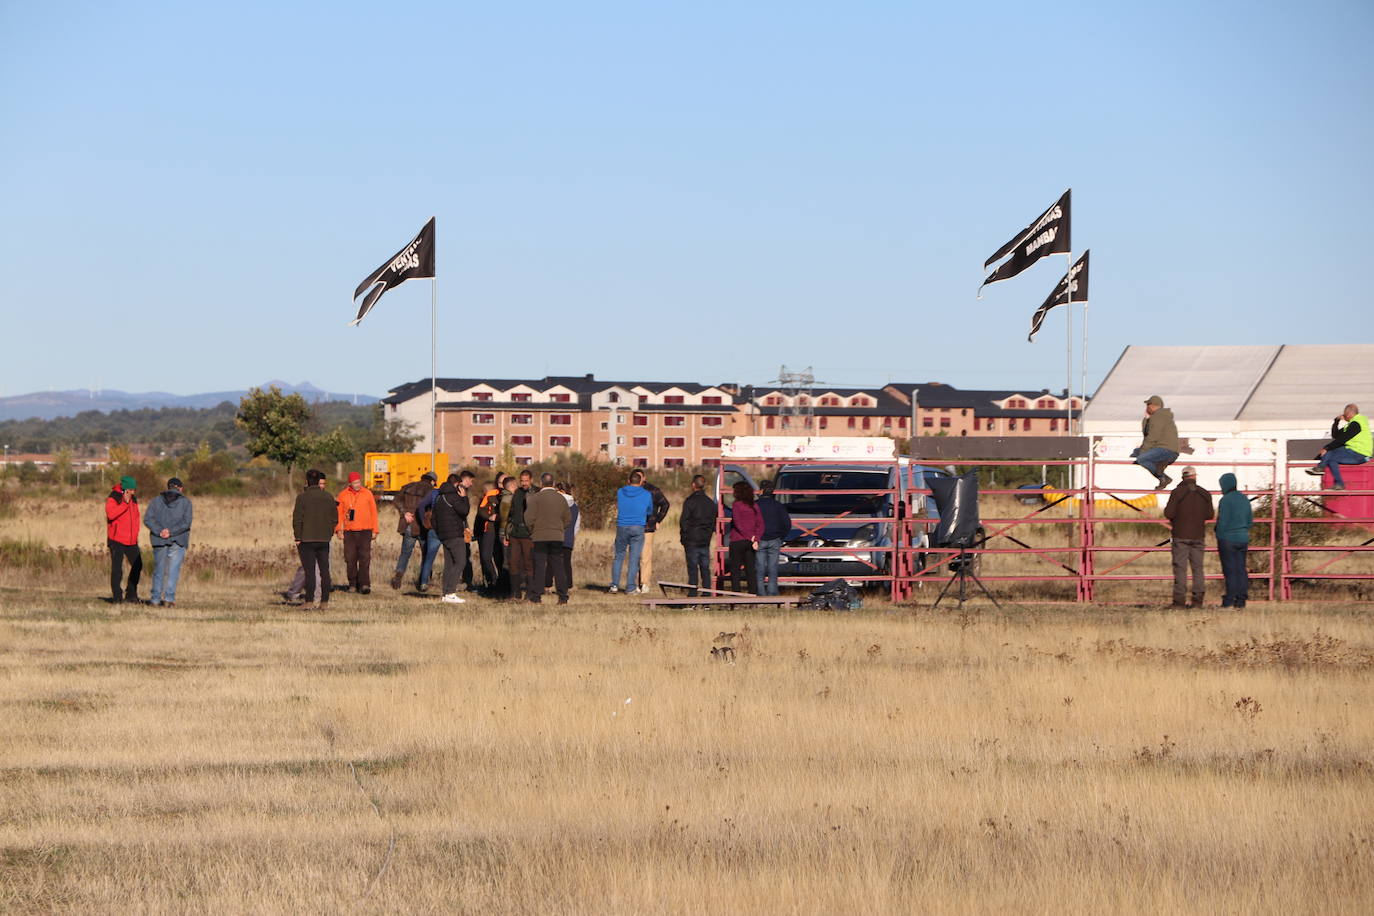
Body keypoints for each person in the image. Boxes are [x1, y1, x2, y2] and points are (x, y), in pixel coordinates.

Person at [1162, 466, 1213, 608]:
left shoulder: (1177, 493)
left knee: (1180, 569)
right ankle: (1198, 601)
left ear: (1182, 477)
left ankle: (1179, 602)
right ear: (1195, 476)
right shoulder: (1204, 494)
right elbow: (1210, 515)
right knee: (1198, 568)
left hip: (1180, 535)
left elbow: (1169, 513)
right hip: (1198, 536)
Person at [143, 476, 192, 607]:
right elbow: (186, 522)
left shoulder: (155, 501)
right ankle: (169, 599)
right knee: (173, 571)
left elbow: (148, 519)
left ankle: (155, 599)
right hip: (178, 540)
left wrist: (160, 531)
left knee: (159, 570)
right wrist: (171, 532)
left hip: (159, 540)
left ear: (168, 487)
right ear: (181, 488)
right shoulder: (186, 502)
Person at [292, 469, 337, 607]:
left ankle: (309, 601)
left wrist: (298, 537)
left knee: (310, 571)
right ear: (319, 481)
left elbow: (297, 520)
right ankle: (324, 601)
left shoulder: (302, 498)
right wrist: (328, 534)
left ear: (306, 481)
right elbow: (334, 519)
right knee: (325, 571)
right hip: (324, 540)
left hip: (306, 540)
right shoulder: (329, 497)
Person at [526, 472, 572, 604]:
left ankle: (536, 596)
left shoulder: (535, 498)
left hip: (539, 536)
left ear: (541, 483)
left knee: (539, 566)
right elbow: (568, 519)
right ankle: (563, 597)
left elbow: (528, 519)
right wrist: (559, 529)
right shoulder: (561, 498)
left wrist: (533, 530)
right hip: (557, 537)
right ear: (553, 483)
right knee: (558, 566)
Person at [431, 471, 474, 604]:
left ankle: (445, 594)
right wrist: (464, 497)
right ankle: (450, 592)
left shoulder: (439, 497)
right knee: (461, 562)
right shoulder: (453, 496)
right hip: (454, 535)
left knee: (449, 565)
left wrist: (439, 532)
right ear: (457, 484)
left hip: (443, 535)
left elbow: (433, 518)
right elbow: (464, 510)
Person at [1307, 403, 1371, 491]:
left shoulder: (1356, 424)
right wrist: (1336, 421)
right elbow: (1336, 435)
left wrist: (1327, 448)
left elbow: (1342, 439)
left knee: (1330, 451)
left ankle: (1320, 467)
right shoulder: (1351, 425)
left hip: (1359, 453)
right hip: (1356, 453)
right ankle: (1339, 484)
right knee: (1332, 458)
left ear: (1348, 414)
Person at [391, 471, 438, 590]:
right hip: (424, 527)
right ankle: (424, 580)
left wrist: (404, 512)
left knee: (405, 554)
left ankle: (398, 578)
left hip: (409, 525)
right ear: (432, 481)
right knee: (427, 555)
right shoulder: (432, 491)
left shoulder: (408, 486)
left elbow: (396, 500)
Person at [609, 469, 653, 594]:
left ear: (628, 481)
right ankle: (630, 587)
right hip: (638, 527)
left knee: (618, 556)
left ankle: (614, 585)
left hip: (622, 526)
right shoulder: (646, 494)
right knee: (634, 558)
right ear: (641, 482)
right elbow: (650, 510)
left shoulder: (620, 492)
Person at [336, 471, 379, 594]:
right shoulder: (343, 495)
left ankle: (365, 584)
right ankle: (353, 584)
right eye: (355, 482)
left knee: (365, 558)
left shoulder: (367, 494)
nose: (357, 484)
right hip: (349, 532)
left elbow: (374, 512)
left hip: (366, 530)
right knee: (350, 559)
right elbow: (338, 514)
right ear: (350, 483)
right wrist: (339, 529)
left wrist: (375, 530)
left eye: (359, 482)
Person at [1215, 472, 1253, 609]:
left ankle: (1229, 599)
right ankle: (1241, 600)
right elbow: (1250, 521)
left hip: (1227, 539)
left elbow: (1222, 522)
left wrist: (1219, 535)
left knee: (1230, 570)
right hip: (1243, 538)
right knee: (1241, 569)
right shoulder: (1244, 499)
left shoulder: (1225, 500)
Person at [105, 475, 142, 603]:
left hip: (131, 540)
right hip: (116, 539)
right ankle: (117, 596)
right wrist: (125, 504)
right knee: (117, 569)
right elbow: (111, 514)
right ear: (125, 489)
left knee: (137, 565)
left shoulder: (134, 499)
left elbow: (136, 517)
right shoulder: (113, 497)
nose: (133, 492)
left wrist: (136, 533)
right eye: (131, 490)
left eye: (134, 490)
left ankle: (131, 594)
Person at [679, 474, 717, 598]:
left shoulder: (690, 501)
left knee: (692, 569)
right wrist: (708, 535)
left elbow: (684, 521)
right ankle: (706, 593)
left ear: (693, 485)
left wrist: (684, 537)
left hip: (691, 540)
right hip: (705, 540)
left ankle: (693, 593)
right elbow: (713, 522)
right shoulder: (710, 503)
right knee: (705, 569)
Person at [1132, 395, 1181, 490]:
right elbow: (1148, 435)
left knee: (1142, 458)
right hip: (1165, 450)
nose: (1147, 408)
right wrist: (1146, 420)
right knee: (1136, 452)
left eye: (1148, 405)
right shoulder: (1160, 417)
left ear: (1153, 406)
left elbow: (1152, 437)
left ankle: (1163, 477)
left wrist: (1143, 452)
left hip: (1165, 450)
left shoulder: (1158, 417)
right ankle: (1160, 465)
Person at [755, 479, 792, 596]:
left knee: (760, 568)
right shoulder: (778, 506)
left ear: (761, 491)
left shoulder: (755, 505)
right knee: (773, 568)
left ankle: (760, 593)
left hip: (759, 539)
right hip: (775, 539)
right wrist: (781, 537)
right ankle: (772, 593)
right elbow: (787, 524)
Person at [504, 470, 536, 600]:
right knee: (513, 563)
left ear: (531, 480)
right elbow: (509, 514)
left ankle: (529, 593)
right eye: (522, 481)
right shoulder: (516, 493)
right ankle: (515, 593)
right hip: (515, 534)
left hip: (529, 535)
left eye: (526, 481)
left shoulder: (535, 493)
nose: (524, 483)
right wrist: (507, 533)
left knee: (528, 564)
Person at [727, 480, 763, 595]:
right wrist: (755, 538)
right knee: (750, 569)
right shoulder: (754, 506)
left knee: (735, 569)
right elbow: (761, 524)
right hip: (751, 542)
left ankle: (736, 593)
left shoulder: (736, 505)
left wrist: (750, 537)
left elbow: (738, 523)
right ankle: (753, 593)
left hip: (738, 541)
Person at [636, 476, 671, 592]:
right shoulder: (630, 491)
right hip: (634, 527)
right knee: (635, 557)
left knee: (645, 557)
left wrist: (658, 520)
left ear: (644, 478)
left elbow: (665, 504)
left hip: (648, 527)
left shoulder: (653, 490)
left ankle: (645, 583)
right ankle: (635, 583)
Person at [474, 476, 504, 592]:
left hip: (503, 530)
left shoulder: (512, 494)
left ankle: (502, 583)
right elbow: (481, 510)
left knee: (500, 558)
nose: (501, 485)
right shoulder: (491, 494)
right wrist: (489, 517)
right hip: (490, 530)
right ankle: (493, 580)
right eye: (500, 483)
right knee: (485, 557)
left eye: (503, 483)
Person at [557, 481, 580, 590]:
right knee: (567, 562)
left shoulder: (558, 504)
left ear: (561, 491)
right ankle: (568, 584)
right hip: (569, 538)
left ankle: (548, 584)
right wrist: (572, 536)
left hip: (557, 536)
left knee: (553, 562)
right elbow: (577, 525)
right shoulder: (575, 506)